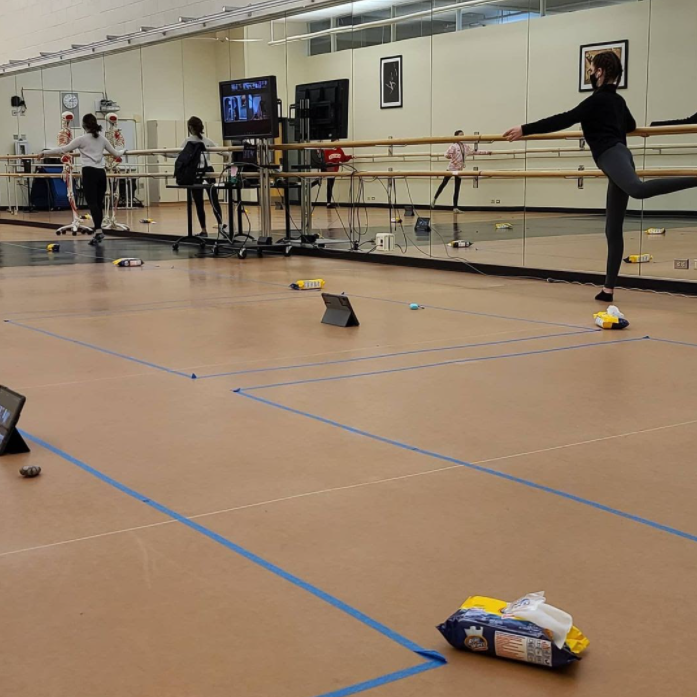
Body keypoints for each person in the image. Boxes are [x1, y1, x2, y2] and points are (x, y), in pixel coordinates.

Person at [504, 51, 697, 302]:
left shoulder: (596, 100)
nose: (590, 74)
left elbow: (564, 119)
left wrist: (524, 129)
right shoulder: (616, 100)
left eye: (592, 69)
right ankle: (608, 289)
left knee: (637, 190)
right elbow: (629, 125)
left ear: (600, 72)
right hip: (619, 156)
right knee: (612, 228)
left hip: (611, 156)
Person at [43, 113, 125, 245]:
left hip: (89, 172)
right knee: (98, 204)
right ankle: (98, 231)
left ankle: (98, 230)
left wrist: (44, 153)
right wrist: (125, 150)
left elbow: (63, 149)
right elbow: (116, 153)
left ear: (83, 125)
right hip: (101, 172)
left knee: (92, 203)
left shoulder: (81, 139)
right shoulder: (102, 139)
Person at [174, 116, 223, 236]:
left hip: (194, 173)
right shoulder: (207, 140)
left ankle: (204, 230)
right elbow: (224, 151)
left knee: (199, 203)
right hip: (209, 171)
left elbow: (177, 153)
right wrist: (226, 156)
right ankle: (221, 227)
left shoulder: (188, 141)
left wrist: (164, 153)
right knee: (214, 201)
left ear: (190, 127)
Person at [432, 131, 490, 212]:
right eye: (460, 135)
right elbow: (446, 154)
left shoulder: (465, 146)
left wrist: (487, 152)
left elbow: (474, 152)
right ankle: (435, 198)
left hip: (459, 170)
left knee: (457, 188)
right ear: (456, 137)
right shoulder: (453, 146)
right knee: (443, 184)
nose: (462, 137)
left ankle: (455, 207)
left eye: (463, 135)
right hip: (451, 169)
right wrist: (449, 156)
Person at [323, 137, 352, 208]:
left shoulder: (339, 150)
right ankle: (328, 203)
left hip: (335, 170)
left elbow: (343, 158)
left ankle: (329, 202)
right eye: (336, 142)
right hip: (329, 168)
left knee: (331, 185)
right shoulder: (327, 150)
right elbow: (324, 160)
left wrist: (351, 156)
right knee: (329, 185)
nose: (338, 144)